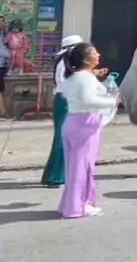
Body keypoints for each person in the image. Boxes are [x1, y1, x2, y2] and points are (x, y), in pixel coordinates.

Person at [59, 42, 118, 218]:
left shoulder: (74, 76)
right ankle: (79, 206)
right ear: (85, 59)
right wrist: (112, 101)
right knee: (82, 167)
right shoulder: (85, 77)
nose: (98, 55)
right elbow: (87, 100)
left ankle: (71, 205)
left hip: (72, 121)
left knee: (74, 167)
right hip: (85, 124)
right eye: (94, 52)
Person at [41, 34, 84, 187]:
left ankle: (53, 175)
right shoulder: (65, 64)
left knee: (63, 139)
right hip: (65, 101)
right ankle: (55, 177)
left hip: (65, 101)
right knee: (62, 140)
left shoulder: (66, 64)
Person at [0, 15, 8, 120]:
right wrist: (12, 55)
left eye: (2, 21)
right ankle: (2, 112)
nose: (1, 23)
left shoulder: (4, 34)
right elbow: (2, 51)